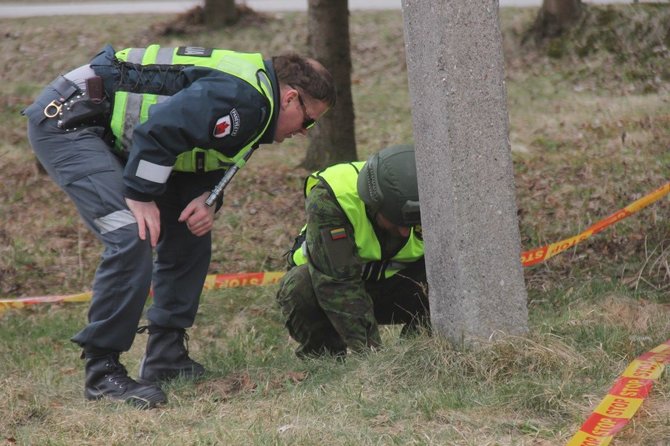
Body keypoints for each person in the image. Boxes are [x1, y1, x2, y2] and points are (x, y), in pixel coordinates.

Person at [23, 44, 335, 408]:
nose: (305, 133)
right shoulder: (245, 97)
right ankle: (102, 373)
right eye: (309, 121)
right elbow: (160, 132)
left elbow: (204, 147)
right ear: (291, 98)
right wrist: (140, 195)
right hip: (72, 120)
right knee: (131, 233)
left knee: (190, 229)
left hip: (120, 135)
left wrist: (208, 199)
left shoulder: (256, 102)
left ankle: (165, 357)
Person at [276, 144, 430, 359]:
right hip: (330, 287)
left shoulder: (429, 187)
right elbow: (337, 283)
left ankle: (417, 354)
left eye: (413, 224)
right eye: (396, 223)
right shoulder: (332, 198)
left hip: (398, 286)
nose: (405, 232)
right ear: (374, 205)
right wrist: (374, 358)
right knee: (299, 285)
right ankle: (326, 360)